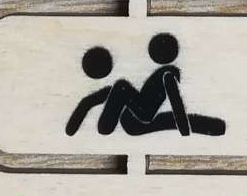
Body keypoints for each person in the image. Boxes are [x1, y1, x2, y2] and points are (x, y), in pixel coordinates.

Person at [65, 35, 225, 138]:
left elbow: (176, 103)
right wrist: (185, 132)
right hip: (137, 117)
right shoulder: (169, 73)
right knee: (108, 118)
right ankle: (95, 99)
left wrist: (185, 131)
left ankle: (98, 97)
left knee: (109, 116)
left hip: (138, 119)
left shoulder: (168, 73)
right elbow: (176, 102)